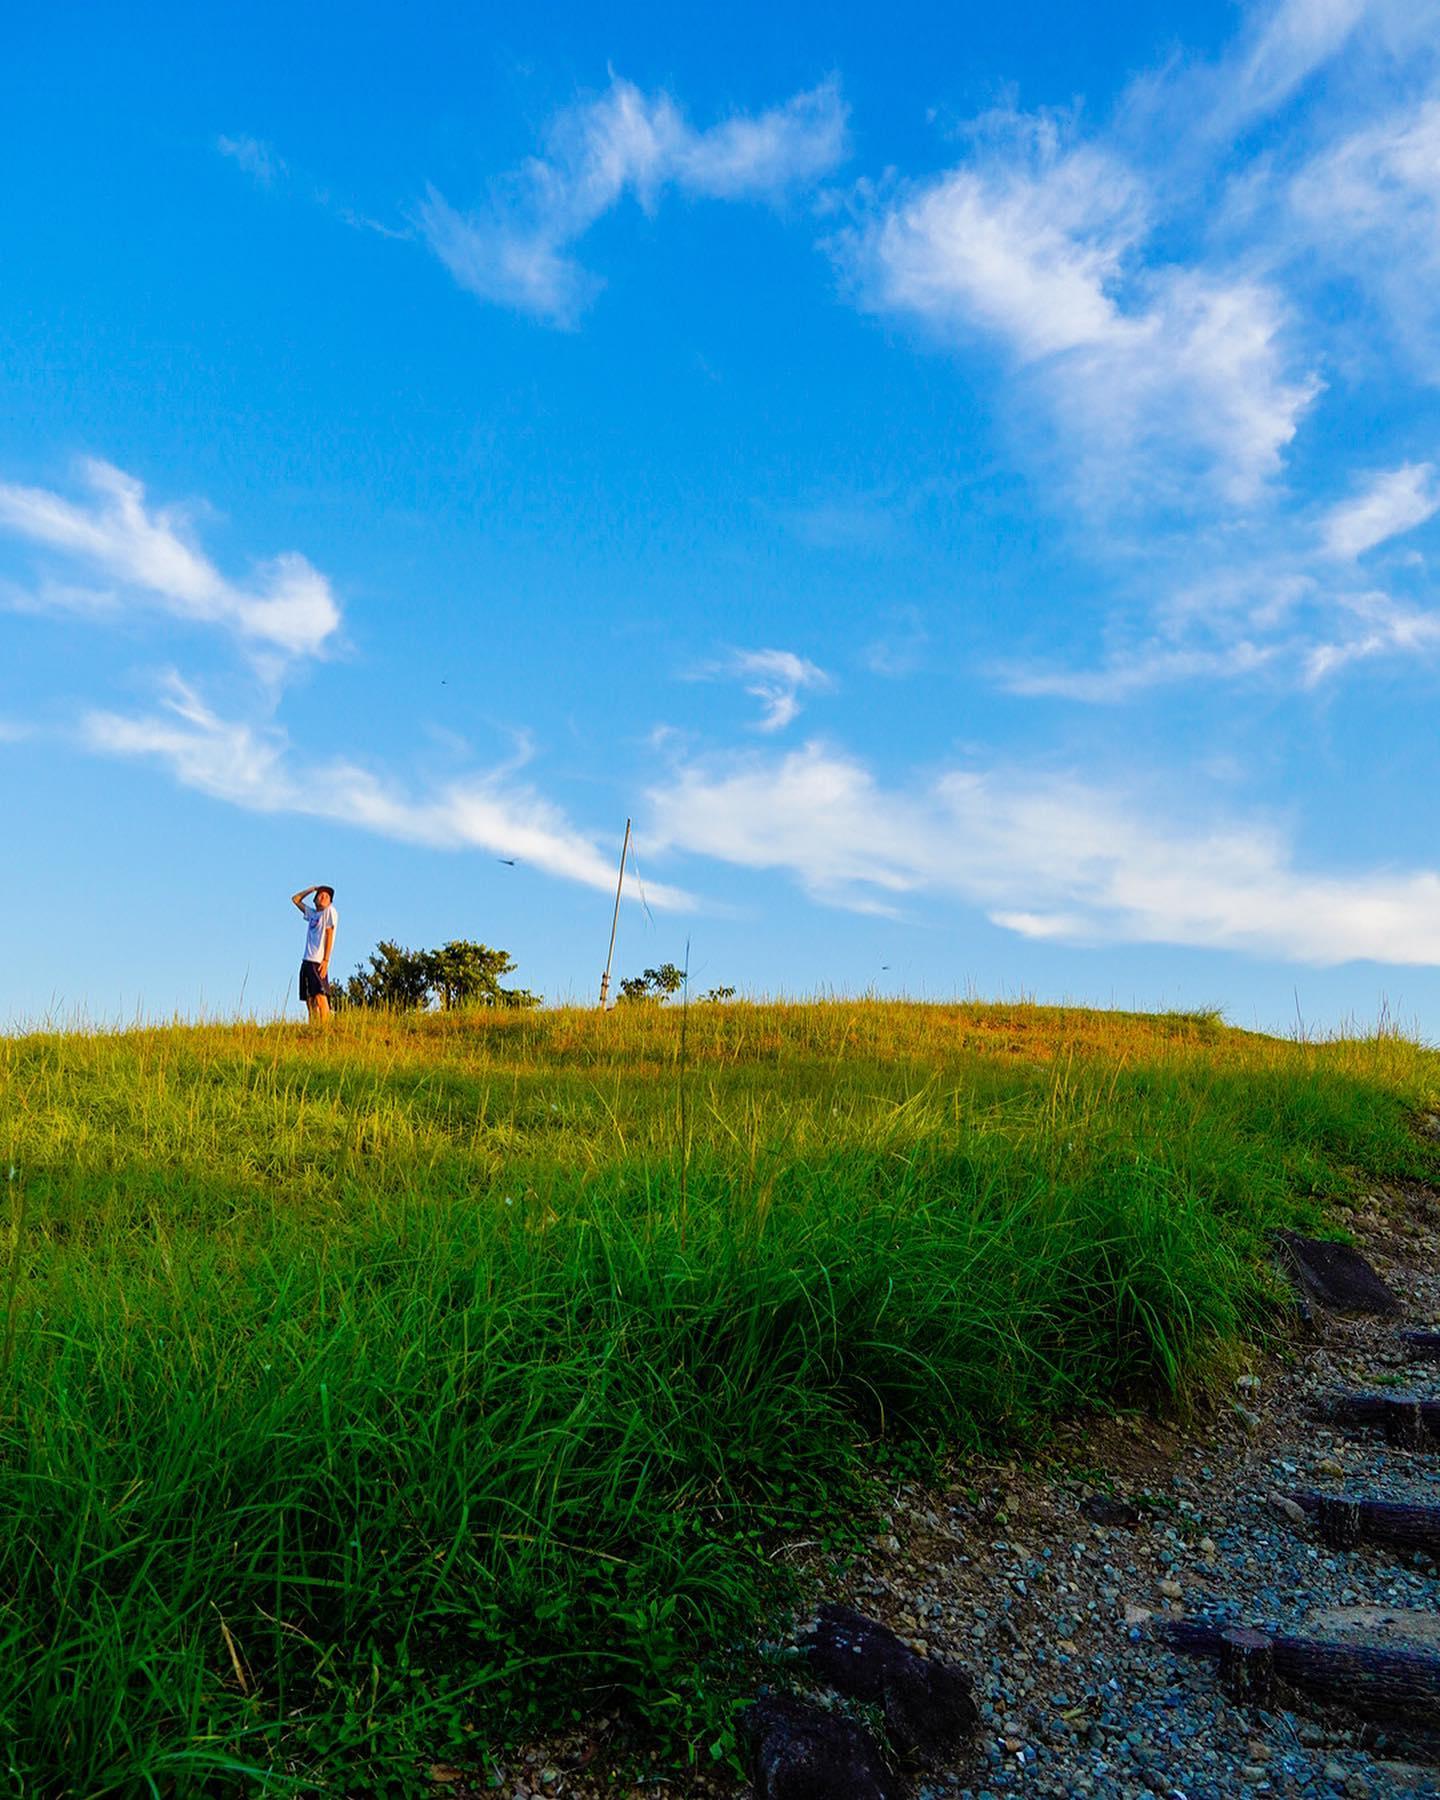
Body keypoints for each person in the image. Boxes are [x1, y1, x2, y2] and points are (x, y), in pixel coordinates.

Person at [291, 884, 338, 1019]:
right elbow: (295, 899)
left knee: (320, 995)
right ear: (315, 899)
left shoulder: (330, 912)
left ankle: (326, 1027)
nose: (323, 897)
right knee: (309, 998)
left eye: (327, 896)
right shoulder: (312, 914)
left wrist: (326, 959)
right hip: (306, 960)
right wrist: (311, 890)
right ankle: (313, 1027)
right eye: (321, 895)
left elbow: (329, 933)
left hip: (318, 960)